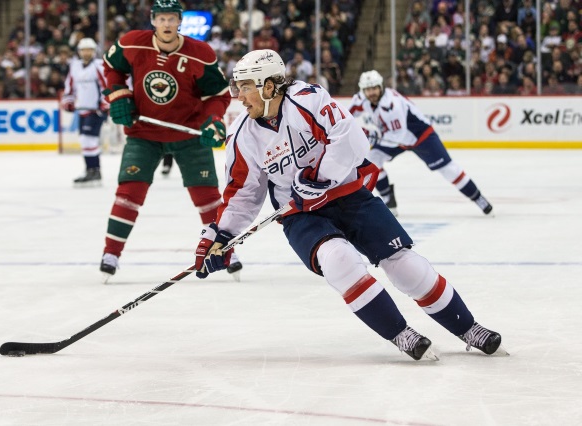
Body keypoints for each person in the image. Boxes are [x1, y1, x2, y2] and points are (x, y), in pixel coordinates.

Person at [194, 49, 506, 361]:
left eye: (245, 86)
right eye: (237, 87)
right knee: (339, 261)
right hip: (301, 214)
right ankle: (402, 335)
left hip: (349, 194)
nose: (240, 96)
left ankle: (469, 328)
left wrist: (319, 178)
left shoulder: (308, 99)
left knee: (404, 264)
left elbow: (350, 138)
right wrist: (221, 235)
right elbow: (244, 194)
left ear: (269, 86)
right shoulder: (241, 135)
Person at [100, 0, 241, 281]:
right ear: (153, 21)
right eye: (161, 19)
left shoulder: (200, 53)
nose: (166, 24)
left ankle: (225, 250)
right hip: (144, 134)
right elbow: (112, 68)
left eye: (172, 19)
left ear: (180, 22)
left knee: (208, 198)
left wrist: (213, 119)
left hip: (189, 135)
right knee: (128, 194)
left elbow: (218, 94)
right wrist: (118, 93)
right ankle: (111, 253)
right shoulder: (132, 44)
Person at [349, 70, 493, 216]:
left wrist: (374, 135)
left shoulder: (391, 105)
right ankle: (388, 199)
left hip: (420, 136)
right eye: (368, 89)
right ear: (363, 90)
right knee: (372, 161)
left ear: (381, 87)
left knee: (449, 170)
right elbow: (345, 115)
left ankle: (478, 198)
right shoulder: (361, 99)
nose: (371, 92)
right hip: (394, 137)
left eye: (374, 88)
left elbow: (397, 136)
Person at [61, 37, 109, 186]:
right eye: (83, 50)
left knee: (89, 139)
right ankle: (92, 170)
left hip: (95, 110)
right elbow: (70, 86)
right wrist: (68, 101)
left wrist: (105, 104)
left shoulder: (99, 66)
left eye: (89, 50)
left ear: (94, 51)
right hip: (82, 109)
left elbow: (106, 85)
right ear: (79, 51)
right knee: (85, 140)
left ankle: (94, 170)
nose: (86, 52)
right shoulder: (74, 66)